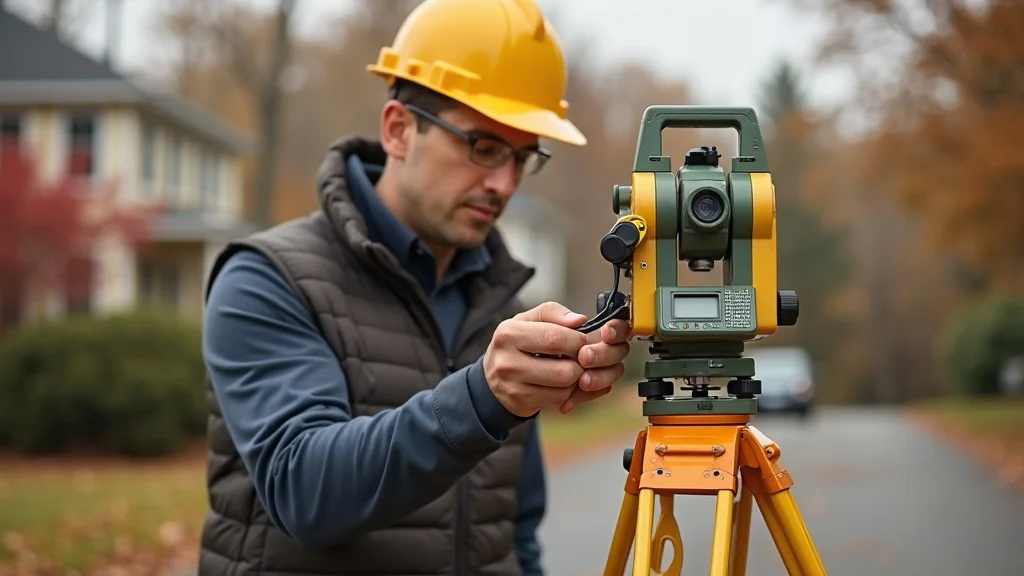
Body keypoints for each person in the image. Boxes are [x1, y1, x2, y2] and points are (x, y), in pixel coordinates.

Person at [197, 0, 632, 574]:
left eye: (523, 157)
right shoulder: (268, 278)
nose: (503, 183)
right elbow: (302, 491)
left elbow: (512, 533)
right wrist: (482, 397)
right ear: (399, 129)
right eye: (482, 146)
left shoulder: (506, 308)